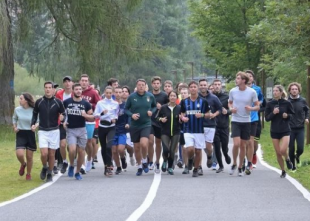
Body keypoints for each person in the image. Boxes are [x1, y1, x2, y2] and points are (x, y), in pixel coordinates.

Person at [31, 81, 66, 182]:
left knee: (51, 154)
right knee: (44, 154)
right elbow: (34, 114)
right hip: (42, 130)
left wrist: (62, 117)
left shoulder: (58, 102)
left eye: (50, 87)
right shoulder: (39, 102)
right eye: (46, 87)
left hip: (54, 130)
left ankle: (49, 173)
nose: (48, 89)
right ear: (44, 89)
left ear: (53, 89)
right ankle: (44, 167)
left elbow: (64, 113)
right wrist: (33, 124)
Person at [228, 72, 259, 177]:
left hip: (246, 121)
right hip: (235, 120)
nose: (236, 80)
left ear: (243, 81)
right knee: (236, 144)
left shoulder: (252, 92)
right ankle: (234, 163)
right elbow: (230, 102)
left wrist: (251, 108)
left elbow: (257, 106)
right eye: (236, 78)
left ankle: (240, 166)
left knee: (243, 145)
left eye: (238, 78)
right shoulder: (233, 91)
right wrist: (231, 109)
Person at [125, 79, 157, 176]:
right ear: (136, 86)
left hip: (146, 124)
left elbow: (154, 106)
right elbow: (126, 109)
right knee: (137, 147)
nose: (141, 87)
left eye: (143, 85)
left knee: (144, 144)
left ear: (145, 86)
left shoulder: (150, 96)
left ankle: (144, 161)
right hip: (134, 125)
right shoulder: (131, 97)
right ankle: (139, 166)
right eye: (139, 85)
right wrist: (132, 115)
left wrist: (151, 111)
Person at [63, 83, 94, 180]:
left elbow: (92, 118)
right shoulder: (66, 102)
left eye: (80, 89)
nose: (78, 91)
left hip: (82, 129)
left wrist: (85, 115)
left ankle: (77, 172)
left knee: (81, 152)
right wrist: (63, 122)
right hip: (71, 129)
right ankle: (71, 164)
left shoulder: (86, 104)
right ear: (73, 90)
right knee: (72, 150)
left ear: (82, 91)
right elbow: (62, 114)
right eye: (76, 89)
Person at [180, 81, 211, 177]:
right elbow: (181, 113)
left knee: (198, 150)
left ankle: (196, 169)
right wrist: (183, 118)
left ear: (197, 88)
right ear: (189, 89)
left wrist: (202, 114)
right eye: (191, 87)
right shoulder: (184, 101)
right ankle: (190, 160)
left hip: (199, 130)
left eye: (194, 87)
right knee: (190, 149)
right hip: (188, 129)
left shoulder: (203, 101)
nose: (193, 88)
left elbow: (209, 114)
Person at [265, 85, 294, 178]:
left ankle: (288, 159)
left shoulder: (287, 103)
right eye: (273, 91)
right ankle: (283, 170)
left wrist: (287, 116)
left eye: (277, 91)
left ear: (281, 92)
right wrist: (273, 113)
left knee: (283, 150)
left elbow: (292, 115)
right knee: (278, 152)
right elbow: (267, 118)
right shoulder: (270, 104)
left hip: (285, 129)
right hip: (274, 130)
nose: (275, 92)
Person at [198, 79, 222, 175]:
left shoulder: (213, 97)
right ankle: (199, 167)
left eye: (204, 85)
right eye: (201, 85)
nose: (203, 86)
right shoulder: (195, 97)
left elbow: (220, 109)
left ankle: (209, 156)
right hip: (198, 125)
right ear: (199, 86)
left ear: (207, 85)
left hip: (210, 125)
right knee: (198, 147)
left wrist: (214, 114)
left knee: (208, 147)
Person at [94, 86, 119, 176]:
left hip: (111, 126)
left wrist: (115, 119)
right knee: (104, 148)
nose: (108, 94)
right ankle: (106, 166)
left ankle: (109, 165)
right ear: (104, 92)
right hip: (102, 126)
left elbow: (116, 114)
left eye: (110, 93)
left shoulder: (115, 103)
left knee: (109, 146)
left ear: (112, 93)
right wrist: (101, 113)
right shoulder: (100, 103)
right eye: (107, 93)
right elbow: (95, 115)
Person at [13, 93, 38, 180]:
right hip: (21, 133)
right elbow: (14, 119)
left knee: (29, 156)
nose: (19, 100)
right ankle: (23, 164)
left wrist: (35, 126)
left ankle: (28, 174)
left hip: (30, 133)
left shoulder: (34, 110)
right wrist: (15, 127)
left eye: (21, 99)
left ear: (26, 100)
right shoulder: (17, 110)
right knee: (19, 154)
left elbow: (38, 120)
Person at [80, 74, 101, 173]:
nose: (84, 82)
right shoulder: (76, 91)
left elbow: (99, 104)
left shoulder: (93, 93)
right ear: (80, 82)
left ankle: (90, 159)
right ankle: (82, 164)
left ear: (88, 82)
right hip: (78, 121)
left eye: (86, 81)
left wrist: (89, 105)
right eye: (82, 80)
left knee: (89, 142)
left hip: (90, 121)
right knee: (80, 144)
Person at [157, 91, 181, 175]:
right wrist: (161, 119)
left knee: (172, 151)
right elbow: (157, 118)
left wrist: (181, 119)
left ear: (177, 98)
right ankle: (165, 161)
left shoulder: (179, 108)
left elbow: (183, 119)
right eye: (171, 96)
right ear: (169, 97)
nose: (172, 97)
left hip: (176, 132)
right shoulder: (163, 107)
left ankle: (170, 167)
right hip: (165, 132)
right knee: (166, 149)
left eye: (174, 96)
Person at [245, 70, 264, 173]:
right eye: (246, 76)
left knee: (254, 143)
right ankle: (248, 162)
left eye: (250, 76)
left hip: (254, 117)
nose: (249, 77)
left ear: (252, 78)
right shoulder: (240, 89)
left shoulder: (257, 89)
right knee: (247, 141)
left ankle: (253, 154)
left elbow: (261, 100)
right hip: (243, 118)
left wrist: (257, 104)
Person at [287, 82, 309, 171]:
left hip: (300, 128)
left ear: (299, 90)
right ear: (289, 91)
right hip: (289, 128)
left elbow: (307, 111)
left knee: (300, 148)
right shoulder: (287, 101)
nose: (294, 91)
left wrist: (307, 118)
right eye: (292, 89)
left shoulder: (303, 101)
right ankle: (293, 166)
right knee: (291, 148)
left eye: (296, 89)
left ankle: (297, 156)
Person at [149, 76, 169, 173]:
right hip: (150, 121)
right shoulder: (148, 95)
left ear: (160, 84)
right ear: (151, 84)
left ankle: (157, 161)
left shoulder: (164, 95)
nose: (156, 85)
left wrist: (162, 107)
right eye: (154, 83)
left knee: (158, 142)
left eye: (158, 83)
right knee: (150, 141)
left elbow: (169, 108)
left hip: (160, 122)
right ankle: (150, 161)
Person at [212, 79, 232, 173]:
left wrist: (227, 111)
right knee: (216, 146)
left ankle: (226, 154)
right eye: (215, 84)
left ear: (221, 86)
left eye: (218, 84)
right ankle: (220, 165)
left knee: (224, 146)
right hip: (214, 125)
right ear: (212, 86)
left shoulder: (226, 97)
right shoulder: (210, 97)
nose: (217, 86)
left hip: (224, 125)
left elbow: (231, 110)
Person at [55, 76, 73, 174]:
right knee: (62, 144)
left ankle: (72, 162)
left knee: (71, 147)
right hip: (61, 122)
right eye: (65, 81)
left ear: (72, 83)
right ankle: (64, 161)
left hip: (73, 123)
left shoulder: (75, 94)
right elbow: (56, 107)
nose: (67, 83)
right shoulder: (59, 94)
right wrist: (60, 116)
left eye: (69, 81)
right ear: (63, 84)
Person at [112, 86, 129, 174]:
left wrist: (128, 123)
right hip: (112, 130)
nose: (118, 94)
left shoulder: (125, 105)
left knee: (120, 149)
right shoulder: (111, 104)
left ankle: (123, 158)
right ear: (113, 93)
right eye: (116, 92)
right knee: (114, 150)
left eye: (120, 92)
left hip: (122, 129)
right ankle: (118, 167)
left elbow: (129, 115)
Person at [122, 85, 135, 166]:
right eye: (122, 91)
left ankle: (131, 155)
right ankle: (123, 160)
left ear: (129, 93)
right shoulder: (117, 103)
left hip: (129, 127)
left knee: (129, 147)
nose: (124, 93)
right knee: (121, 146)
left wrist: (129, 124)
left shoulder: (132, 104)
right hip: (119, 127)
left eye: (126, 91)